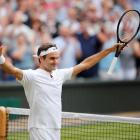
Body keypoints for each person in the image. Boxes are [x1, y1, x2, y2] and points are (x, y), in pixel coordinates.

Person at [0, 42, 124, 140]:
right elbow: (12, 70)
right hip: (39, 129)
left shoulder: (59, 74)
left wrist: (109, 50)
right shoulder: (31, 76)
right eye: (52, 58)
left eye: (57, 58)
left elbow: (85, 64)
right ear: (41, 60)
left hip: (56, 128)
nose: (56, 62)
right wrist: (1, 58)